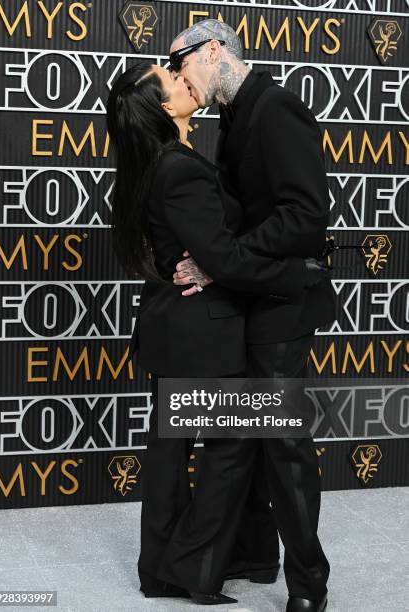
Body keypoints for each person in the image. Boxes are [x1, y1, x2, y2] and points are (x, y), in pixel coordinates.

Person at [106, 63, 330, 605]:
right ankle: (190, 567)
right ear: (164, 108)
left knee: (170, 451)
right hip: (201, 329)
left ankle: (162, 568)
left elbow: (209, 249)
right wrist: (297, 274)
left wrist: (210, 259)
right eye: (175, 80)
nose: (187, 81)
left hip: (173, 328)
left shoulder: (158, 162)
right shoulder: (179, 168)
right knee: (231, 448)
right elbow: (225, 258)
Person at [165, 19, 336, 612]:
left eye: (180, 62)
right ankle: (255, 555)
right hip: (255, 300)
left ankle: (309, 584)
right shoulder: (236, 113)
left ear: (212, 50)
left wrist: (223, 263)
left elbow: (306, 217)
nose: (179, 77)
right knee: (255, 439)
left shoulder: (275, 108)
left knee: (284, 444)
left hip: (284, 305)